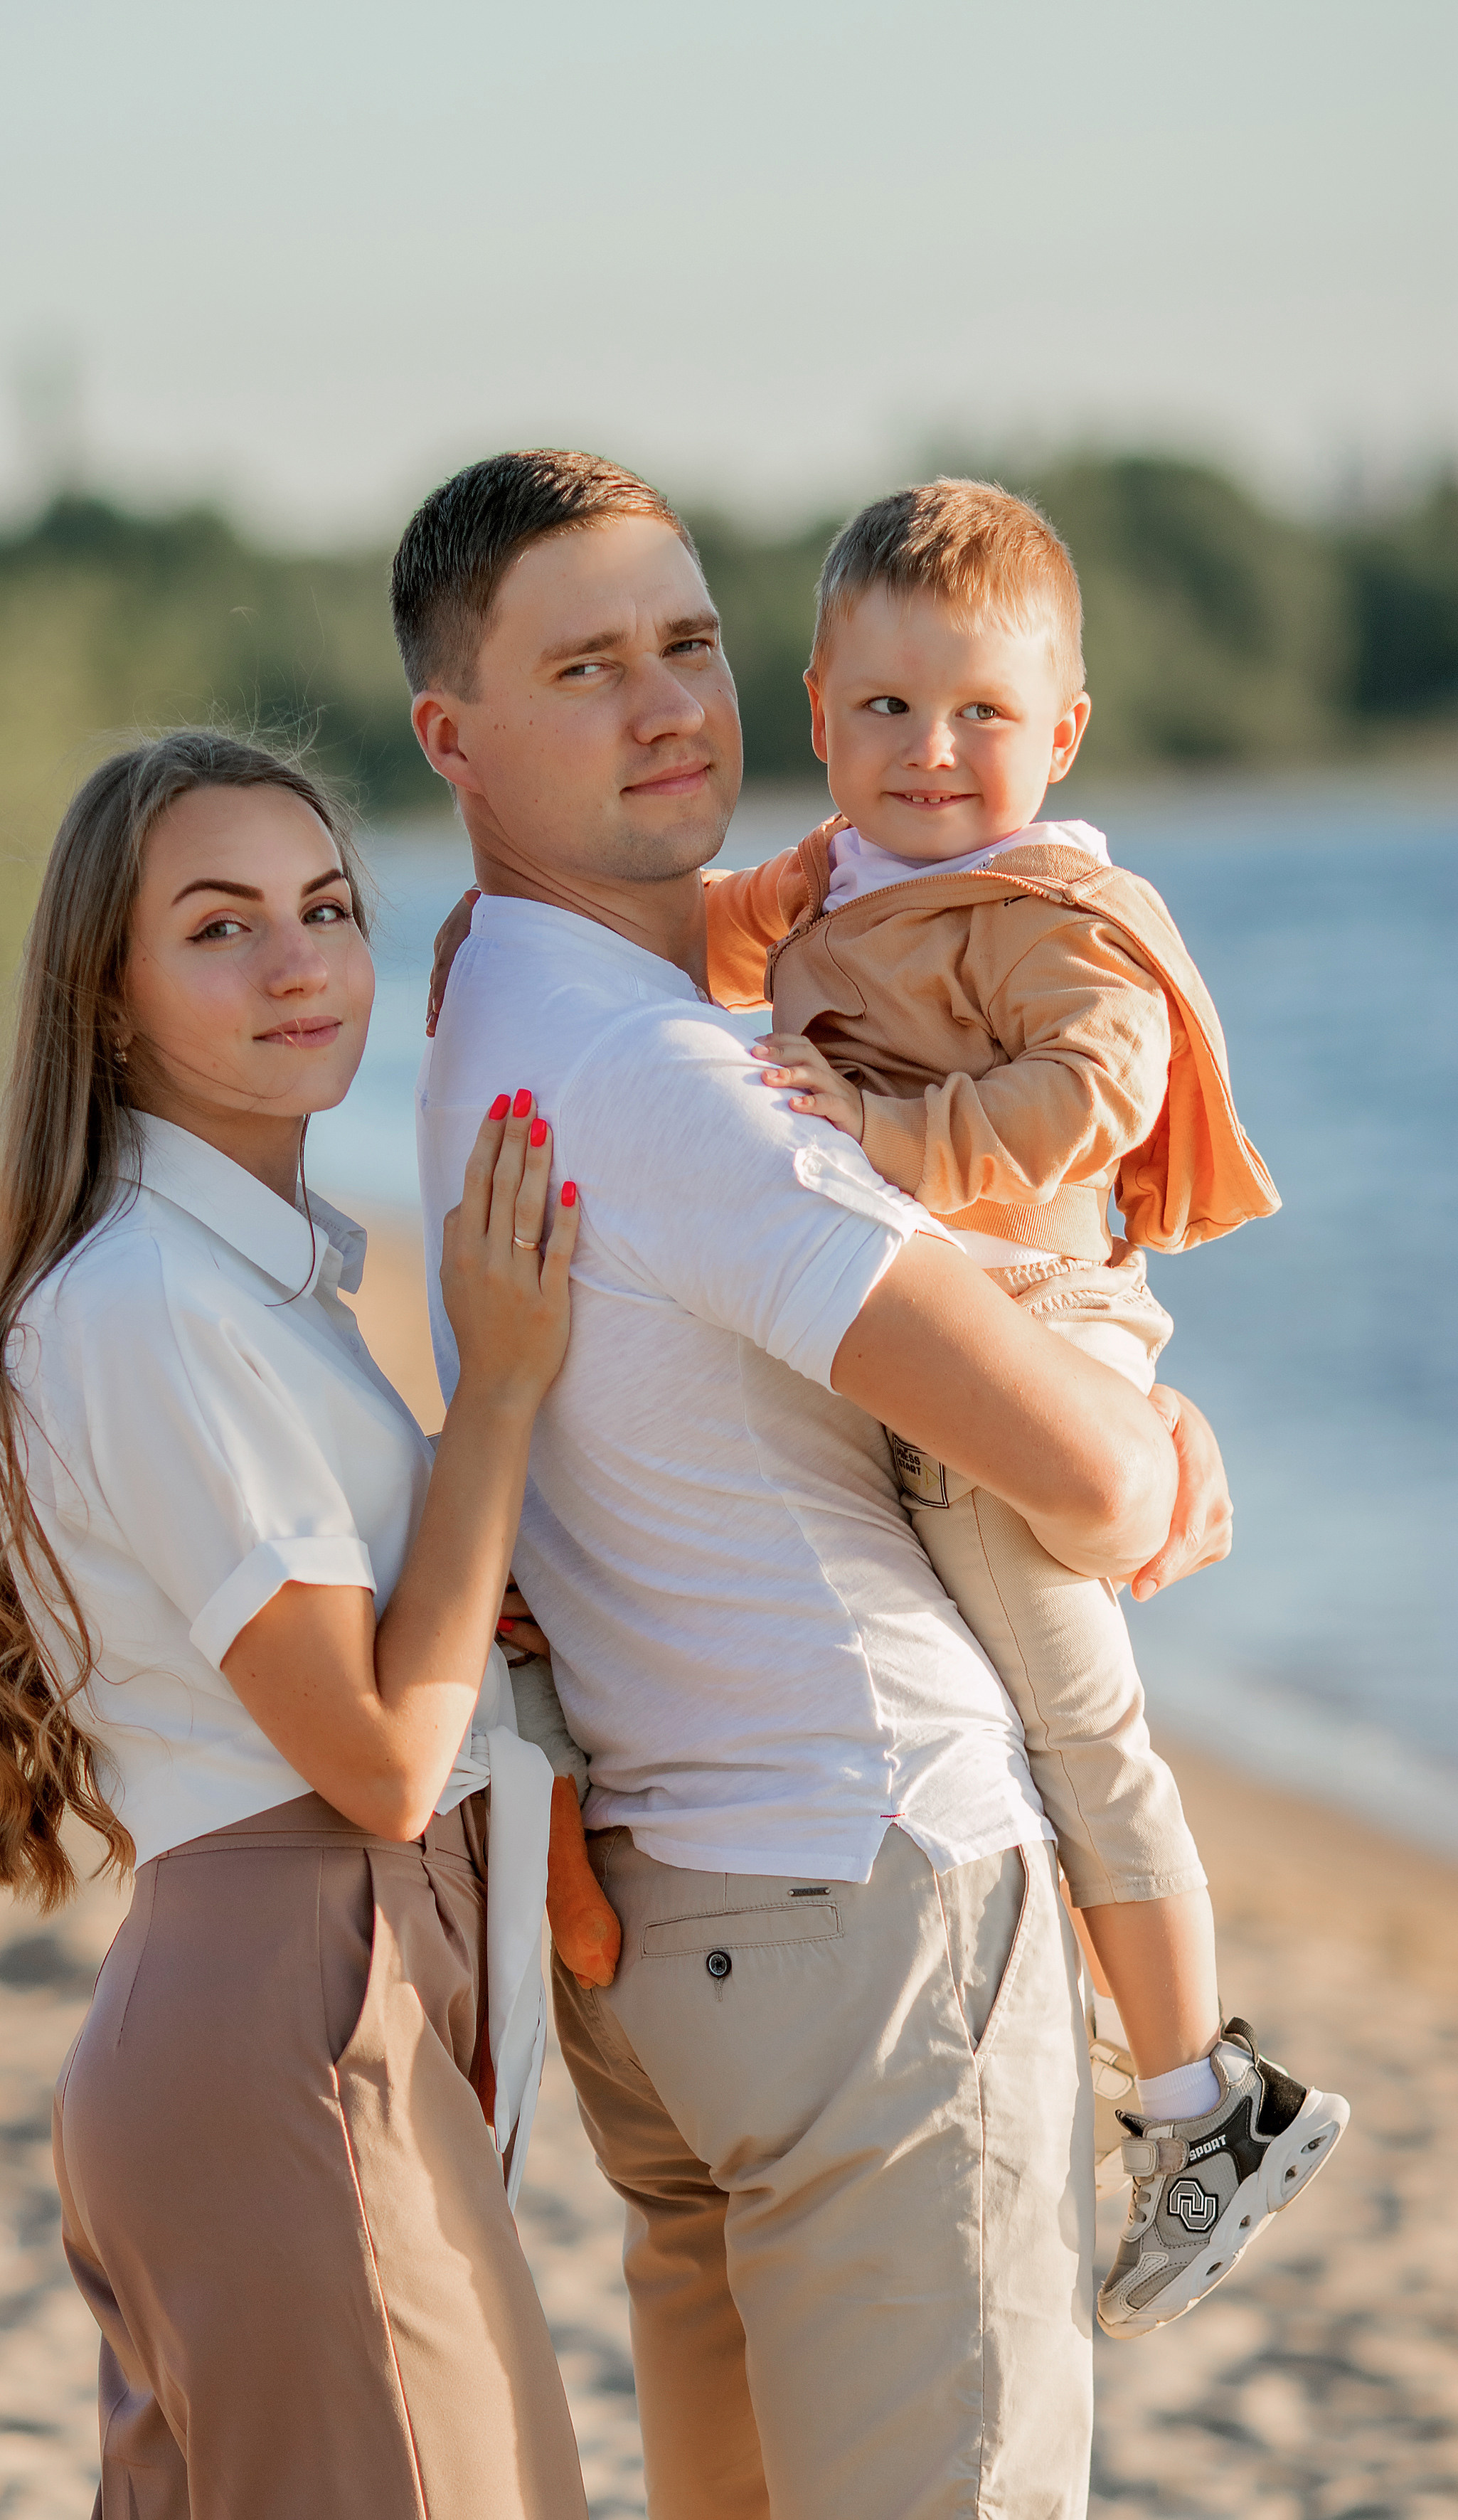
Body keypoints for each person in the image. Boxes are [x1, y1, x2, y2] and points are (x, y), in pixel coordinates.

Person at [397, 450, 1229, 2520]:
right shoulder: (683, 1086)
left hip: (673, 1956)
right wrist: (1158, 1440)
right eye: (584, 665)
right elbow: (1096, 1494)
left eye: (685, 643)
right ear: (454, 738)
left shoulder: (481, 997)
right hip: (870, 1911)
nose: (668, 702)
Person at [601, 477, 1353, 2340]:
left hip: (1045, 1321)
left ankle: (1201, 2101)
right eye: (884, 713)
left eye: (981, 716)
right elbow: (682, 943)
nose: (931, 756)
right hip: (955, 1332)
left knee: (1084, 1731)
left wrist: (884, 1138)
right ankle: (1119, 2045)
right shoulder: (836, 877)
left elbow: (1099, 1091)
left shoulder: (1049, 910)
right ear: (820, 712)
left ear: (1062, 732)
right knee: (1009, 1720)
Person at [0, 731, 588, 2520]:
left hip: (289, 2006)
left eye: (324, 908)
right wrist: (499, 1399)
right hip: (292, 2006)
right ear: (109, 995)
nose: (299, 961)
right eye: (221, 926)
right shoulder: (152, 1301)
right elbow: (381, 1760)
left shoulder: (252, 1283)